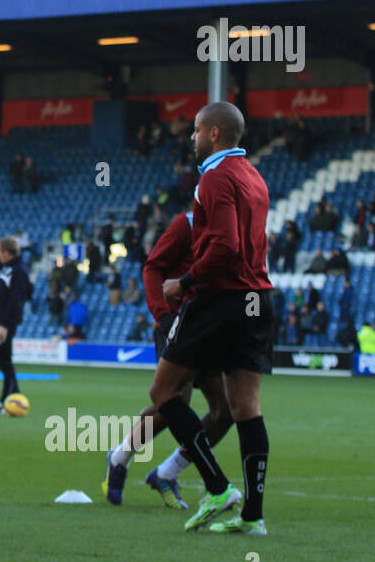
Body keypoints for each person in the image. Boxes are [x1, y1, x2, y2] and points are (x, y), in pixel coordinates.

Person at [152, 101, 273, 535]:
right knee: (246, 406)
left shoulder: (215, 178)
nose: (192, 137)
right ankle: (253, 516)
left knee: (164, 391)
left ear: (214, 134)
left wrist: (182, 283)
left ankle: (217, 487)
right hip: (258, 298)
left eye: (197, 129)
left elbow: (224, 247)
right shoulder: (254, 176)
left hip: (220, 298)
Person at [103, 209, 232, 508]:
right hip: (177, 321)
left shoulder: (232, 227)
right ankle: (120, 457)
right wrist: (162, 315)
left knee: (225, 411)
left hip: (210, 326)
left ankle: (166, 472)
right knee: (174, 402)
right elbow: (153, 267)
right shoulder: (185, 224)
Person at [0, 236, 31, 414]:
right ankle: (14, 398)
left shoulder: (18, 271)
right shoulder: (9, 268)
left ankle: (6, 400)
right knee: (3, 361)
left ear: (6, 252)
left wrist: (4, 324)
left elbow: (15, 299)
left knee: (5, 361)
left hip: (3, 322)